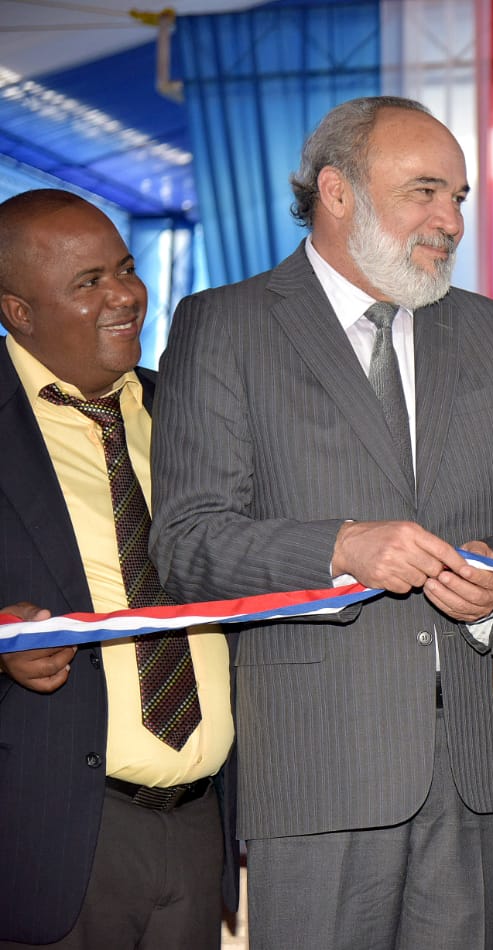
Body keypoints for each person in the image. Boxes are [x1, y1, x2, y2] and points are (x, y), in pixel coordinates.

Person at [149, 96, 493, 950]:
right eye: (425, 191)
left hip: (477, 768)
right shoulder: (223, 325)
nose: (450, 221)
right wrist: (340, 547)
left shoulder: (488, 332)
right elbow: (186, 541)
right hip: (316, 767)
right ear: (336, 193)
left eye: (460, 196)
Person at [0, 189, 235, 949]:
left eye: (126, 269)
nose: (125, 296)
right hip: (53, 836)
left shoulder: (189, 415)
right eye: (88, 282)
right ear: (18, 311)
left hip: (203, 829)